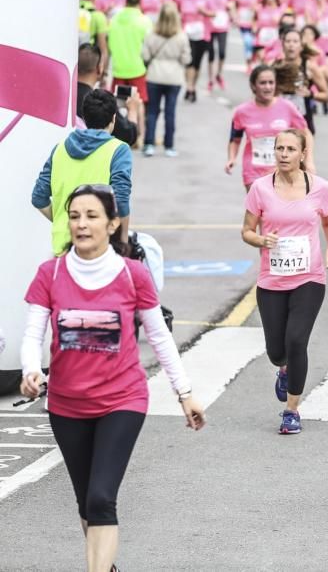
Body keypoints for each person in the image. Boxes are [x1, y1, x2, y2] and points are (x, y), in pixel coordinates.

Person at [19, 184, 205, 572]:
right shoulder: (50, 273)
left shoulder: (132, 274)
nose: (81, 224)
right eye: (74, 217)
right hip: (67, 405)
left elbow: (159, 335)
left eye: (91, 216)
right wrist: (30, 369)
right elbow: (34, 331)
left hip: (122, 400)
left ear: (112, 223)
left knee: (102, 497)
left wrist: (184, 392)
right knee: (86, 499)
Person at [242, 130, 328, 434]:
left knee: (297, 340)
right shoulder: (260, 188)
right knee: (276, 350)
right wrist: (261, 238)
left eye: (290, 149)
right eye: (279, 148)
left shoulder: (319, 187)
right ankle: (283, 368)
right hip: (272, 280)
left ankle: (292, 410)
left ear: (301, 153)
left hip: (309, 278)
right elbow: (246, 230)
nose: (283, 154)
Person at [33, 90, 133, 255]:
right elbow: (120, 200)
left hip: (62, 248)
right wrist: (123, 241)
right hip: (100, 247)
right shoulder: (118, 150)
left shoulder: (60, 149)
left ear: (85, 118)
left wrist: (66, 221)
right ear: (114, 118)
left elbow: (38, 198)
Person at [226, 65, 315, 191]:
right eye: (263, 83)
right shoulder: (242, 112)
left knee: (281, 209)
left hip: (283, 169)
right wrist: (231, 158)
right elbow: (234, 139)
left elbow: (306, 133)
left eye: (271, 83)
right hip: (253, 172)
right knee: (258, 209)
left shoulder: (287, 107)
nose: (268, 87)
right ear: (253, 86)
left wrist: (309, 161)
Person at [142, 2, 191, 157]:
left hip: (155, 75)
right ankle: (169, 146)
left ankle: (149, 143)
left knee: (152, 112)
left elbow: (145, 55)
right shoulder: (181, 36)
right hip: (174, 77)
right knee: (170, 112)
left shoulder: (151, 34)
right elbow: (186, 59)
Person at [76, 44, 139, 146]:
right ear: (99, 68)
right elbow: (128, 135)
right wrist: (133, 110)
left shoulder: (63, 95)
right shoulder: (99, 100)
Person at [107, 0, 151, 139]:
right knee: (138, 102)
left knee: (118, 104)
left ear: (126, 1)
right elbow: (148, 45)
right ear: (140, 2)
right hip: (137, 68)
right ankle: (140, 136)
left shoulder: (114, 19)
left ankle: (119, 134)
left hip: (119, 68)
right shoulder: (144, 20)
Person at [273, 28, 328, 134]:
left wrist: (310, 94)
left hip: (303, 121)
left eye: (295, 42)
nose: (291, 45)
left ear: (301, 46)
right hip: (279, 120)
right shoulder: (275, 65)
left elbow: (326, 96)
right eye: (288, 41)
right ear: (283, 45)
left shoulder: (310, 66)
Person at [176, 0, 215, 102]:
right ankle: (190, 88)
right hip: (187, 33)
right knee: (189, 62)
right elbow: (178, 14)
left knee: (197, 63)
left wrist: (204, 12)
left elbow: (214, 13)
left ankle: (192, 85)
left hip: (202, 34)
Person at [79, 0, 110, 72]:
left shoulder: (71, 10)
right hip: (89, 62)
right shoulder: (98, 16)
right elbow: (103, 47)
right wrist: (104, 71)